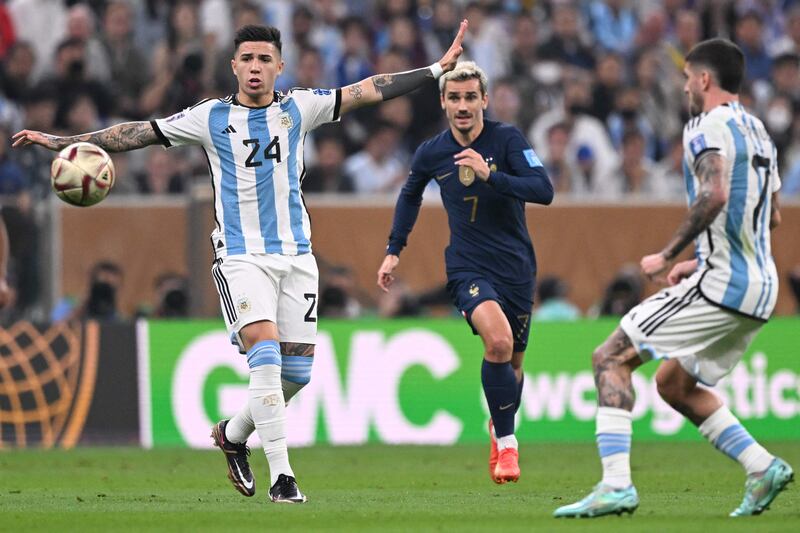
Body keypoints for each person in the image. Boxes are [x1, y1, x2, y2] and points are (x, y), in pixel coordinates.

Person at [13, 21, 468, 504]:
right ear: (234, 66)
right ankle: (283, 476)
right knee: (265, 354)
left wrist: (436, 70)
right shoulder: (210, 117)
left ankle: (232, 435)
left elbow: (368, 90)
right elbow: (138, 133)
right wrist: (67, 141)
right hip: (240, 256)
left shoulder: (300, 107)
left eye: (264, 59)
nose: (255, 68)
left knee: (297, 375)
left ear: (279, 66)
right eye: (247, 59)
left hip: (296, 257)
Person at [554, 39, 793, 519]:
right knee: (673, 384)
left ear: (704, 80)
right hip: (760, 286)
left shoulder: (706, 126)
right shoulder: (760, 132)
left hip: (725, 284)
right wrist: (703, 258)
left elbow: (715, 193)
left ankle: (616, 485)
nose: (684, 87)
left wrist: (667, 255)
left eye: (688, 78)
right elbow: (772, 217)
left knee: (610, 357)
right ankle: (761, 466)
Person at [377, 61, 553, 484]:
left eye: (470, 97)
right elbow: (410, 194)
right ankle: (509, 448)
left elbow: (543, 190)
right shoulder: (432, 151)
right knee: (498, 342)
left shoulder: (507, 140)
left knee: (512, 365)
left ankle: (500, 425)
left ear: (483, 100)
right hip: (466, 266)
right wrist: (393, 250)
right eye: (454, 97)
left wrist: (492, 176)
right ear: (443, 102)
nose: (462, 105)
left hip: (515, 267)